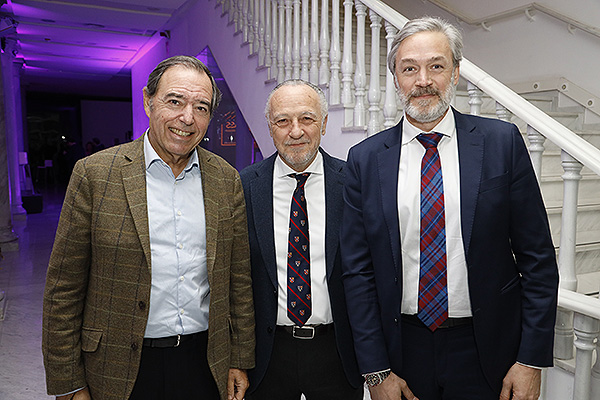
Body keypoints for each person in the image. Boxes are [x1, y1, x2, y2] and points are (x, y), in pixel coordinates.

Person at [340, 17, 559, 400]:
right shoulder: (364, 160)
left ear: (456, 73)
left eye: (436, 66)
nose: (422, 80)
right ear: (396, 78)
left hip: (487, 351)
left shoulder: (501, 144)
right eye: (409, 68)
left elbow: (538, 260)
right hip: (402, 352)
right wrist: (376, 372)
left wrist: (531, 360)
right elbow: (357, 273)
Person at [42, 55, 255, 400]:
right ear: (148, 100)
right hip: (117, 368)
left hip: (203, 363)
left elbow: (238, 279)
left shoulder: (226, 179)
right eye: (175, 101)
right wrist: (69, 383)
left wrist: (240, 358)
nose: (187, 118)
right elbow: (63, 290)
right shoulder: (95, 174)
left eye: (201, 107)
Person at [240, 79, 363, 400]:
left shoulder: (354, 184)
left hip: (336, 353)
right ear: (270, 127)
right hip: (266, 358)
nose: (295, 131)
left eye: (306, 119)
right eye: (283, 121)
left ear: (323, 124)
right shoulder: (243, 187)